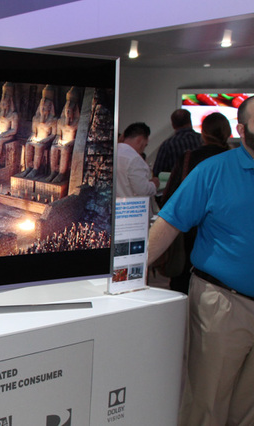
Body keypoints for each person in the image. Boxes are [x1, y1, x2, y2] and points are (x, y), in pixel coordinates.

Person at [147, 96, 254, 425]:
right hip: (225, 303)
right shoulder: (214, 171)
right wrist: (127, 275)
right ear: (241, 129)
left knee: (248, 407)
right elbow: (169, 224)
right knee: (207, 401)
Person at [159, 112, 231, 294]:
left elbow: (170, 196)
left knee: (182, 284)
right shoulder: (235, 161)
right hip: (225, 237)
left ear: (204, 133)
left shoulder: (189, 157)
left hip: (189, 233)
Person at [152, 109, 202, 177]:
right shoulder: (203, 140)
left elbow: (157, 173)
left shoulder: (168, 145)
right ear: (190, 122)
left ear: (173, 125)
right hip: (202, 182)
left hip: (179, 183)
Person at [115, 122, 160, 198]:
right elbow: (142, 191)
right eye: (145, 145)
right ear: (140, 140)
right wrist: (154, 184)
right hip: (130, 203)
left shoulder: (112, 153)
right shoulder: (134, 159)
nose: (143, 150)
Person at [22, 84, 57, 178]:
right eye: (42, 108)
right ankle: (28, 167)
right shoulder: (36, 118)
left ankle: (36, 169)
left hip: (46, 141)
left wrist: (44, 140)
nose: (43, 110)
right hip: (38, 139)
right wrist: (31, 138)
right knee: (28, 144)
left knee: (39, 146)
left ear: (50, 108)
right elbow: (34, 132)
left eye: (45, 108)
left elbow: (53, 134)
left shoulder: (53, 120)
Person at [46, 87, 80, 183]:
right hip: (62, 142)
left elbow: (77, 138)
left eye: (70, 111)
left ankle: (61, 173)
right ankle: (53, 172)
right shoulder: (60, 121)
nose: (67, 113)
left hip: (70, 144)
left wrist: (70, 143)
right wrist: (57, 140)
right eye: (66, 111)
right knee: (53, 148)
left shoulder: (77, 122)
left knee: (65, 149)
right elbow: (58, 135)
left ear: (74, 111)